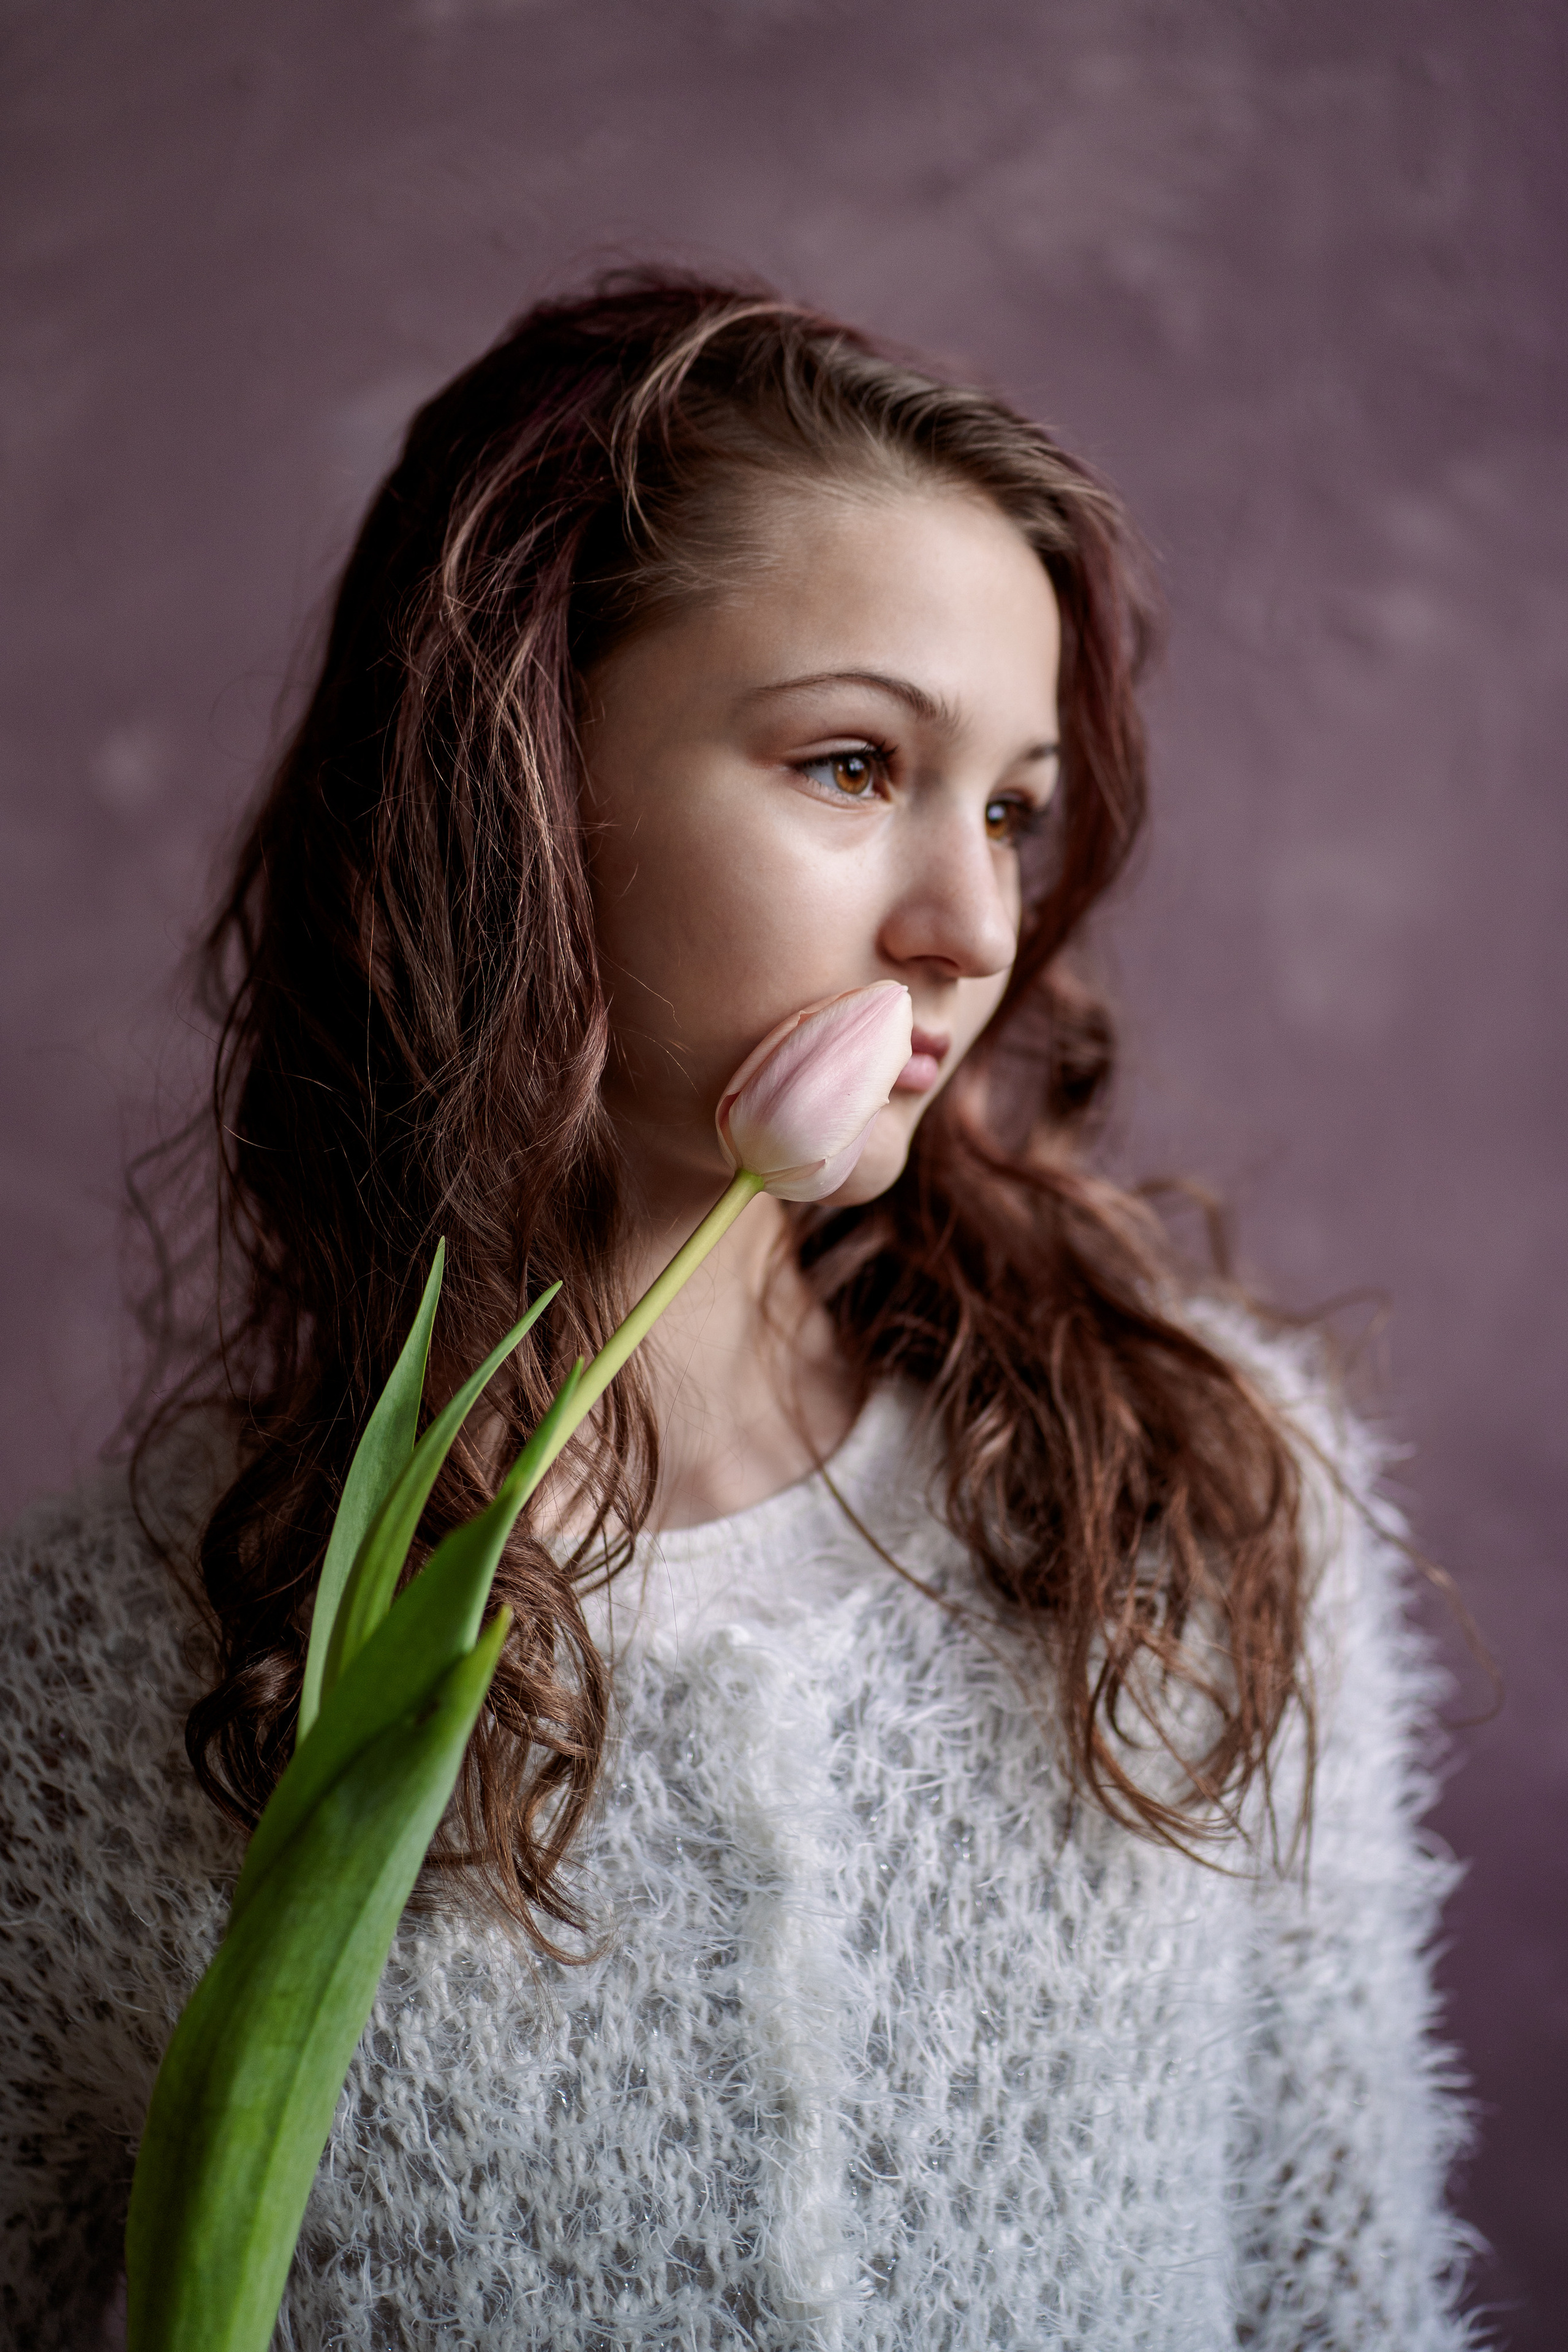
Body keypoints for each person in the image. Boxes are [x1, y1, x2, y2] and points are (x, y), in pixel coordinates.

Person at [0, 273, 1476, 2349]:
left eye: (1013, 806)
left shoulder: (1201, 1497)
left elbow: (1349, 2300)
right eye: (855, 763)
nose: (971, 926)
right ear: (507, 776)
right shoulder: (76, 1698)